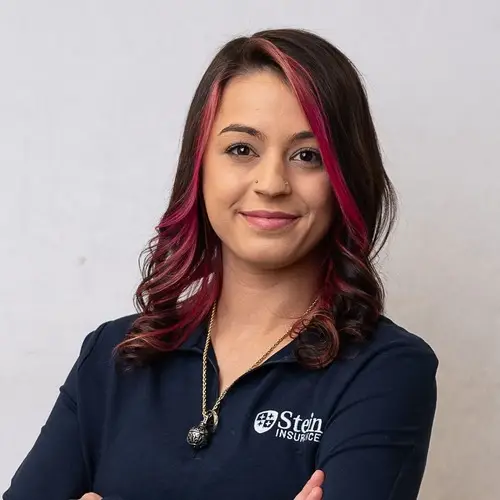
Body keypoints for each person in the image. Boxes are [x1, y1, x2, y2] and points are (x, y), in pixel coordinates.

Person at [3, 28, 438, 500]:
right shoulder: (113, 355)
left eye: (307, 156)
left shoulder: (386, 370)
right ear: (200, 167)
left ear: (345, 179)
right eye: (241, 149)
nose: (271, 182)